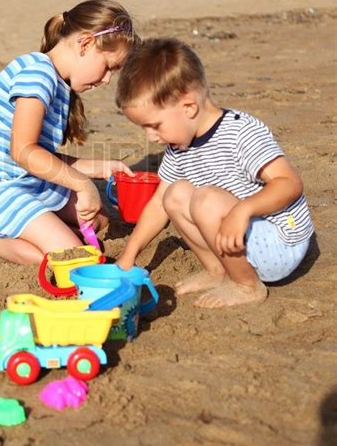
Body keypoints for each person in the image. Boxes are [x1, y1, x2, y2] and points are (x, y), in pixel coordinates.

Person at [0, 0, 139, 265]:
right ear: (85, 44)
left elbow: (41, 157)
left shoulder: (59, 84)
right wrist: (82, 183)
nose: (107, 79)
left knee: (98, 220)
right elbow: (23, 152)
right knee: (71, 257)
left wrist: (100, 168)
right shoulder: (37, 74)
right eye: (108, 66)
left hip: (22, 180)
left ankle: (27, 228)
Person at [115, 38, 313, 308]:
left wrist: (243, 211)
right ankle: (218, 271)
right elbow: (160, 204)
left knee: (205, 199)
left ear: (189, 107)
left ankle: (246, 285)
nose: (151, 137)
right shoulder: (179, 145)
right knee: (173, 194)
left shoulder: (242, 133)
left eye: (155, 126)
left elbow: (289, 184)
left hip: (279, 241)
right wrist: (129, 254)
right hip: (239, 239)